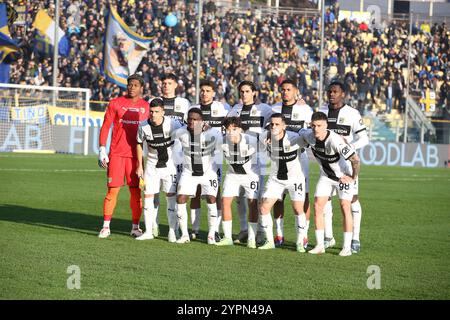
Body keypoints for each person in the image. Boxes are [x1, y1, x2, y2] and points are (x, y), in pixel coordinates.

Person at [297, 111, 360, 256]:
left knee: (345, 207)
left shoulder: (335, 140)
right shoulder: (309, 135)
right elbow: (297, 130)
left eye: (319, 126)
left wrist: (353, 177)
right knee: (318, 206)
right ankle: (320, 245)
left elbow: (355, 159)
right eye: (313, 126)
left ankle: (346, 247)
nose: (316, 129)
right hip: (326, 177)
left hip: (342, 177)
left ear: (326, 126)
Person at [319, 81, 369, 253]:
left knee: (351, 200)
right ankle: (328, 237)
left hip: (346, 166)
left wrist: (349, 146)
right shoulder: (322, 112)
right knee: (325, 201)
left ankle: (355, 238)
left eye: (335, 92)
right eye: (329, 91)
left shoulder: (352, 113)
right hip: (326, 165)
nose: (331, 94)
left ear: (343, 94)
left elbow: (364, 139)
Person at [97, 73, 149, 238]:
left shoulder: (146, 107)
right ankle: (106, 227)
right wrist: (102, 149)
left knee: (135, 192)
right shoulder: (116, 103)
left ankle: (135, 227)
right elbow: (106, 126)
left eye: (135, 85)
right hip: (117, 155)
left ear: (141, 88)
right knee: (113, 190)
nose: (132, 87)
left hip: (136, 157)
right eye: (130, 85)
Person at [227, 80, 273, 244]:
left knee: (256, 197)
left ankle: (259, 231)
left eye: (247, 91)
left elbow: (275, 123)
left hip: (257, 159)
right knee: (239, 196)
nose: (244, 94)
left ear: (254, 93)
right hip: (238, 158)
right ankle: (244, 229)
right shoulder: (235, 110)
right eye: (242, 92)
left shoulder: (264, 109)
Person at [271, 79, 313, 248]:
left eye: (288, 89)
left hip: (299, 158)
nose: (285, 92)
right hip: (278, 159)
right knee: (278, 197)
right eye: (282, 89)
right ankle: (279, 235)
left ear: (296, 91)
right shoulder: (274, 109)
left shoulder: (305, 109)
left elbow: (311, 131)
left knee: (303, 197)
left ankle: (303, 235)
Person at [135, 98, 184, 242]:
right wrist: (140, 165)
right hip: (151, 166)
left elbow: (186, 135)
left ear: (163, 112)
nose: (153, 114)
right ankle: (149, 231)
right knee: (148, 197)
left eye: (156, 112)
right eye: (151, 111)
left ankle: (172, 231)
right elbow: (138, 144)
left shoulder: (173, 124)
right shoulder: (143, 126)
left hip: (170, 166)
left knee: (170, 199)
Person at [257, 113, 308, 251]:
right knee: (264, 208)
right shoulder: (264, 137)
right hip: (275, 179)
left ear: (284, 125)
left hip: (295, 179)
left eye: (277, 124)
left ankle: (300, 241)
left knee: (298, 209)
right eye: (271, 124)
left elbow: (310, 138)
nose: (273, 126)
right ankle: (270, 241)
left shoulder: (294, 138)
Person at [189, 80, 230, 241]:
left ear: (213, 92)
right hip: (196, 155)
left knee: (215, 193)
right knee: (195, 192)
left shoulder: (221, 108)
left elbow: (231, 123)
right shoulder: (194, 109)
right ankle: (195, 229)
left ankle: (215, 229)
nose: (204, 93)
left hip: (215, 157)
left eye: (208, 90)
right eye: (202, 90)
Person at [174, 108, 223, 244]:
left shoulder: (213, 133)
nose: (191, 121)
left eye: (195, 119)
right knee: (181, 198)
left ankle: (211, 234)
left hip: (208, 173)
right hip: (189, 172)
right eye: (190, 118)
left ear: (202, 122)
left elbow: (221, 151)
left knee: (212, 199)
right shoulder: (180, 132)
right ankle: (184, 235)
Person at [150, 73, 190, 237]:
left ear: (175, 85)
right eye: (164, 83)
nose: (166, 85)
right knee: (153, 193)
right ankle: (153, 225)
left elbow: (189, 126)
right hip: (156, 154)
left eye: (169, 83)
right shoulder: (153, 102)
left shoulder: (183, 103)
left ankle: (174, 229)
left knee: (172, 193)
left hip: (177, 156)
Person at [215, 117, 260, 248]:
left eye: (234, 129)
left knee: (252, 203)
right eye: (228, 130)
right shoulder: (221, 141)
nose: (231, 132)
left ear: (240, 129)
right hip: (232, 174)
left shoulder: (251, 140)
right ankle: (227, 237)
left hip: (250, 175)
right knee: (225, 201)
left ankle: (252, 238)